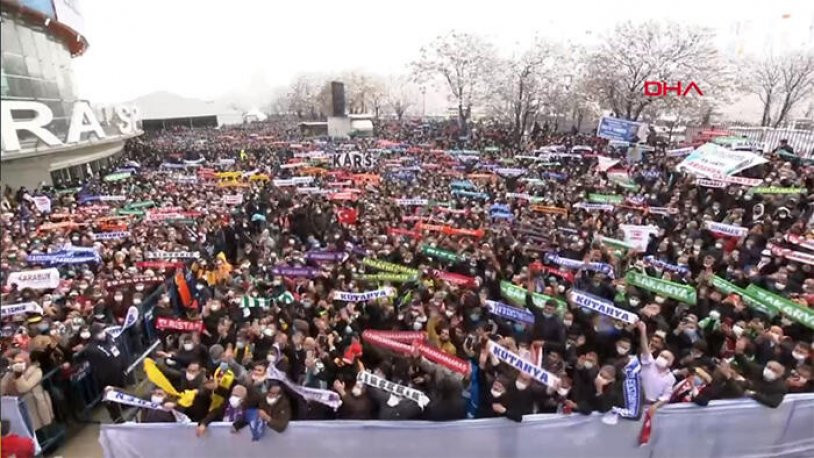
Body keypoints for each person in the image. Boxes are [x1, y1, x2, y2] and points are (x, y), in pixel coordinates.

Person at [0, 350, 54, 432]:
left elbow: (24, 388)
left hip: (36, 404)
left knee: (45, 429)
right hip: (20, 408)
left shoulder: (36, 371)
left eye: (23, 360)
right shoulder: (11, 374)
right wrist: (10, 373)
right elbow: (2, 389)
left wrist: (19, 376)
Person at [734, 337, 788, 408]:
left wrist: (754, 394)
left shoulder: (780, 387)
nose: (770, 371)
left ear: (780, 375)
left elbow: (773, 403)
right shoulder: (759, 370)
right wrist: (739, 351)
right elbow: (745, 364)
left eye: (774, 370)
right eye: (769, 367)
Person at [636, 321, 676, 415]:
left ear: (670, 363)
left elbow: (666, 396)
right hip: (637, 401)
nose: (662, 358)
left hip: (652, 406)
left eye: (666, 358)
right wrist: (643, 331)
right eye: (661, 355)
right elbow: (645, 348)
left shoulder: (671, 378)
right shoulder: (650, 363)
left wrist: (655, 406)